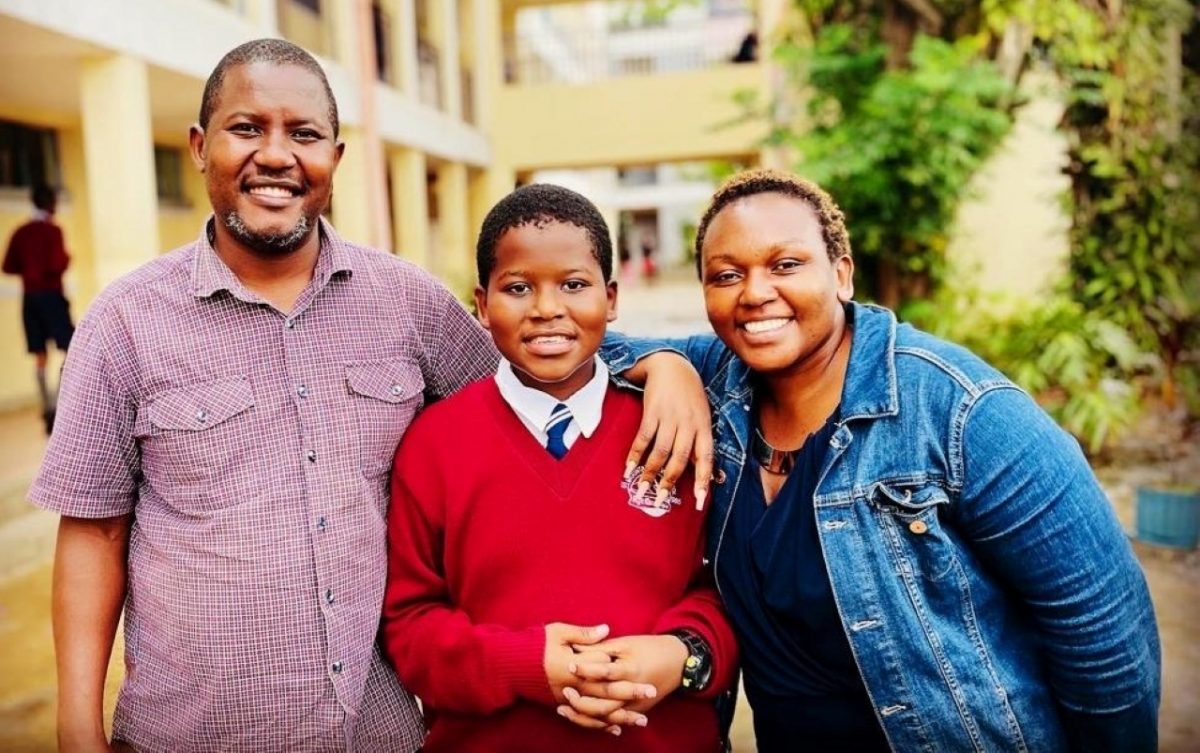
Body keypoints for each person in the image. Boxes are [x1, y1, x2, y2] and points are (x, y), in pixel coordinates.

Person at [30, 39, 711, 753]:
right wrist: (77, 727)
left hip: (377, 732)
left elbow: (538, 365)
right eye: (246, 128)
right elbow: (94, 529)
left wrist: (664, 364)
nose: (275, 155)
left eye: (303, 134)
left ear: (335, 158)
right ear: (200, 147)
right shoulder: (126, 321)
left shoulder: (407, 303)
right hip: (192, 733)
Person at [562, 169, 1162, 751]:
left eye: (786, 264)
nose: (754, 292)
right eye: (726, 275)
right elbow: (571, 339)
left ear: (842, 274)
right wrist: (664, 363)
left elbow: (1103, 632)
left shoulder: (959, 409)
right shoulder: (720, 378)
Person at [381, 184, 736, 752]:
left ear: (611, 298)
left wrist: (681, 654)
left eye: (573, 285)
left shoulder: (673, 427)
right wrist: (524, 663)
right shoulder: (433, 444)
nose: (547, 308)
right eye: (518, 288)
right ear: (481, 303)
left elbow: (724, 583)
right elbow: (410, 623)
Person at [4, 183, 75, 434]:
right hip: (51, 296)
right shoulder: (52, 232)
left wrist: (29, 270)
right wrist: (65, 260)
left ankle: (46, 405)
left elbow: (7, 266)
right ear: (49, 204)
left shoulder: (20, 232)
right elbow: (58, 262)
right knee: (71, 348)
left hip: (30, 299)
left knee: (40, 354)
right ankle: (59, 404)